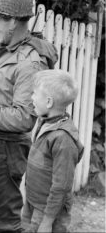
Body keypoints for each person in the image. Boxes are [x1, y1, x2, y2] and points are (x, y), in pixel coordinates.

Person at [0, 0, 58, 232]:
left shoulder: (30, 62)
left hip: (4, 150)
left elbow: (24, 118)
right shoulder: (8, 49)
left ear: (12, 21)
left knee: (3, 222)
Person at [21, 70, 84, 233]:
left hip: (48, 210)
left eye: (34, 94)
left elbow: (62, 186)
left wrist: (47, 222)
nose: (31, 98)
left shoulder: (63, 139)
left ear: (48, 102)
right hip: (33, 200)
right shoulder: (45, 122)